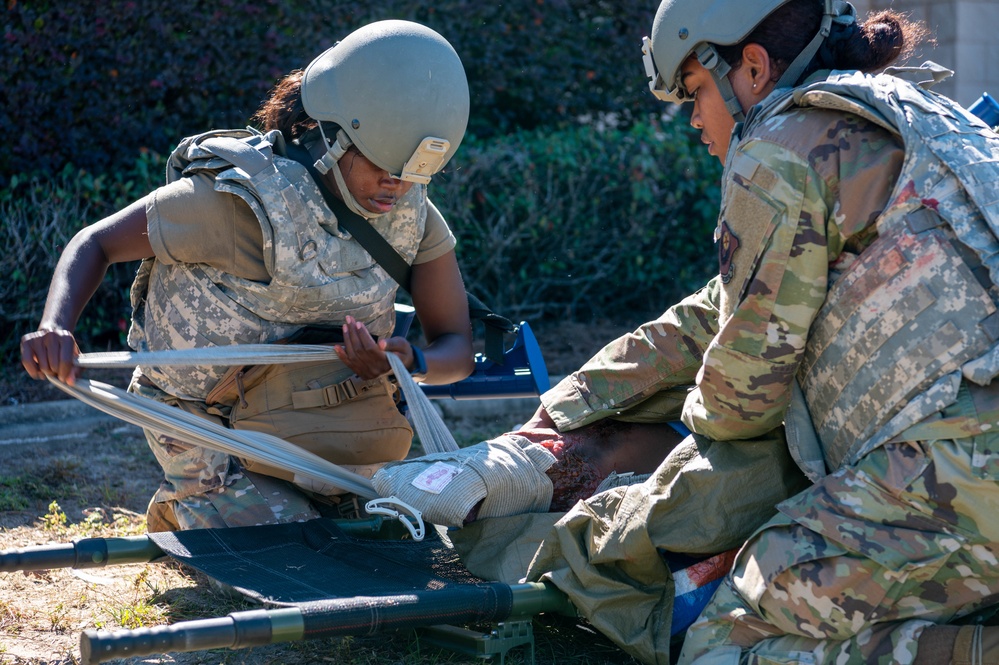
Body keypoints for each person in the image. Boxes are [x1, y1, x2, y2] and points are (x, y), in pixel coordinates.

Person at [608, 0, 999, 663]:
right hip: (970, 484)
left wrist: (685, 414)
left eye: (696, 92)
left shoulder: (779, 148)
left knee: (731, 632)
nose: (696, 119)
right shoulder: (930, 121)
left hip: (961, 479)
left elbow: (742, 396)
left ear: (752, 67)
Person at [19, 20, 475, 533]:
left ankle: (295, 496)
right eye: (384, 166)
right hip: (202, 419)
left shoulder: (412, 216)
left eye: (414, 175)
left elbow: (455, 347)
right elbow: (96, 242)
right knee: (290, 544)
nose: (397, 187)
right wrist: (55, 325)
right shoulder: (237, 204)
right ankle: (192, 499)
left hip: (322, 410)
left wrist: (409, 363)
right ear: (335, 136)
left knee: (394, 533)